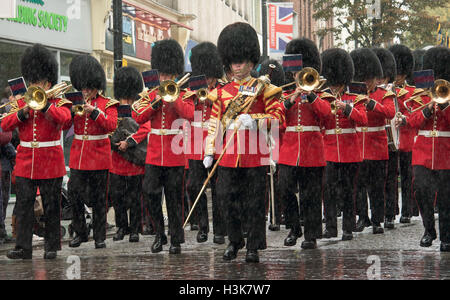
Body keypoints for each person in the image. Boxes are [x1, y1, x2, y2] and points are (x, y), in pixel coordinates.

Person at [203, 22, 284, 263]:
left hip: (254, 154)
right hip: (228, 156)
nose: (237, 65)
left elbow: (278, 118)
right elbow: (214, 123)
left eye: (241, 61)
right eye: (233, 61)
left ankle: (253, 246)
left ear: (251, 62)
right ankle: (235, 240)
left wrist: (256, 120)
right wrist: (209, 151)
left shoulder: (263, 89)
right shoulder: (221, 92)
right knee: (226, 199)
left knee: (254, 203)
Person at [2, 44, 72, 259]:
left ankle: (52, 246)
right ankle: (23, 247)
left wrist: (44, 107)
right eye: (31, 81)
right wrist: (23, 112)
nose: (34, 85)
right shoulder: (23, 102)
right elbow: (5, 124)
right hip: (25, 161)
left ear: (47, 82)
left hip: (50, 160)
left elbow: (65, 120)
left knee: (52, 206)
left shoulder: (58, 101)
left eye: (38, 82)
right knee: (23, 206)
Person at [133, 39, 194, 254]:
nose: (164, 78)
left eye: (168, 75)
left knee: (174, 198)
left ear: (175, 73)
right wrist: (156, 102)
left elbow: (188, 114)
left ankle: (176, 238)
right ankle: (160, 233)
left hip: (175, 153)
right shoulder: (150, 95)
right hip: (154, 153)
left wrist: (173, 97)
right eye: (162, 74)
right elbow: (138, 117)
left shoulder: (184, 94)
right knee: (150, 193)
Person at [278, 38, 331, 249]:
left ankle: (310, 234)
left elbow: (326, 115)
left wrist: (311, 97)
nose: (297, 76)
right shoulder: (285, 94)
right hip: (290, 149)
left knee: (311, 194)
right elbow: (278, 117)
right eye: (295, 73)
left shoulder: (320, 94)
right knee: (285, 188)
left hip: (312, 149)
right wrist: (291, 99)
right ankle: (293, 227)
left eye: (301, 73)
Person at [398, 46, 450, 252]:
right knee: (420, 190)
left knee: (446, 198)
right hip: (423, 151)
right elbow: (412, 121)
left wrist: (445, 106)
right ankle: (429, 229)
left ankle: (446, 237)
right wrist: (428, 110)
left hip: (446, 152)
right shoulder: (421, 95)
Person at [68, 54, 119, 249]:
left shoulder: (107, 104)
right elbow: (63, 124)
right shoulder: (74, 102)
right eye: (83, 87)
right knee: (74, 195)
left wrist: (95, 112)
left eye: (89, 87)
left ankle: (99, 236)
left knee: (99, 198)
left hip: (98, 157)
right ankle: (80, 232)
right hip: (79, 157)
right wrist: (70, 112)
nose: (86, 90)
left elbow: (111, 125)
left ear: (96, 86)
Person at [320, 48, 368, 240]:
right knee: (328, 190)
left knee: (349, 190)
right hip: (329, 149)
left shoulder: (355, 96)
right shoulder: (323, 96)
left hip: (349, 149)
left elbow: (363, 119)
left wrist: (347, 108)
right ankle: (330, 227)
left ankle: (347, 228)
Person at [185, 42, 226, 244]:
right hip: (195, 145)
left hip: (216, 143)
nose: (207, 78)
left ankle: (220, 229)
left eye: (209, 74)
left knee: (219, 189)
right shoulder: (192, 90)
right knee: (193, 186)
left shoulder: (223, 89)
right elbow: (184, 112)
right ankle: (203, 226)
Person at [351, 48, 395, 234]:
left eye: (369, 79)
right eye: (363, 79)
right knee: (359, 186)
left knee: (377, 187)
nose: (366, 82)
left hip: (377, 146)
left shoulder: (384, 95)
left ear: (376, 78)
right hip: (358, 146)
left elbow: (390, 113)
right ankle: (363, 218)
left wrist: (372, 104)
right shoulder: (353, 95)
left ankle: (377, 220)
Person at [110, 66, 150, 243]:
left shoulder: (140, 106)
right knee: (118, 197)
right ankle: (121, 228)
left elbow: (145, 128)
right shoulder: (113, 106)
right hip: (117, 159)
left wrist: (129, 142)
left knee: (134, 197)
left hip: (134, 160)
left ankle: (135, 228)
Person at [389, 44, 420, 223]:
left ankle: (407, 210)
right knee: (391, 177)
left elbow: (415, 112)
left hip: (407, 139)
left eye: (400, 73)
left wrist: (405, 118)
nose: (398, 76)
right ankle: (392, 209)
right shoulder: (387, 91)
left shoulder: (412, 92)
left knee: (408, 177)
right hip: (392, 139)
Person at [371, 47, 398, 229]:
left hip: (392, 138)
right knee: (376, 182)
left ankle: (389, 214)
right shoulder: (371, 91)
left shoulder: (391, 92)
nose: (380, 80)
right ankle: (376, 217)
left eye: (383, 77)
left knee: (390, 180)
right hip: (377, 141)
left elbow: (394, 112)